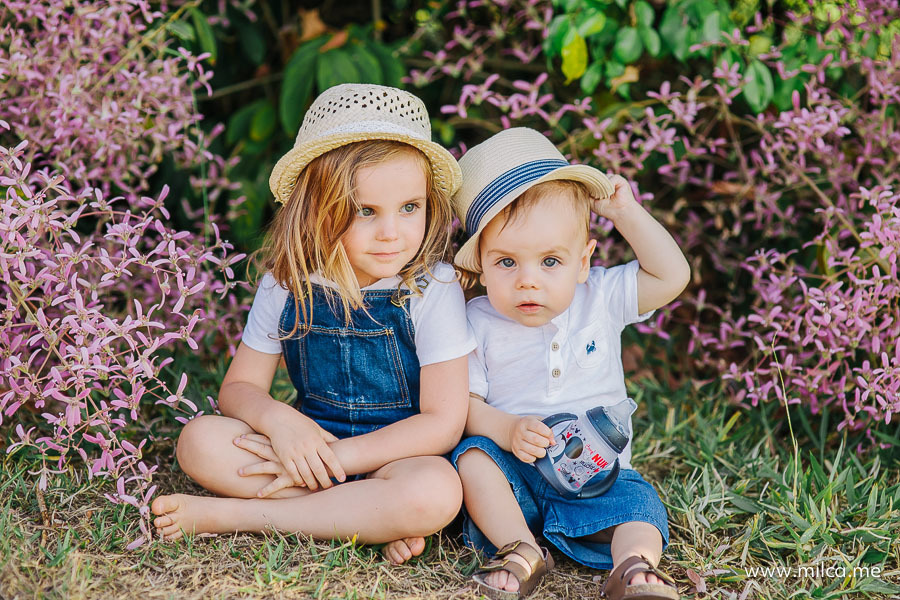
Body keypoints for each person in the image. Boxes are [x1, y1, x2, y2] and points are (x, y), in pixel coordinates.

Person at [151, 84, 475, 566]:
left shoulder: (432, 288)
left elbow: (442, 425)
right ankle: (360, 520)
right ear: (317, 210)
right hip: (306, 445)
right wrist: (281, 423)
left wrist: (340, 461)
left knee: (436, 492)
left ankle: (237, 516)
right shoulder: (287, 283)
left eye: (410, 207)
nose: (393, 232)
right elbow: (238, 389)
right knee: (198, 441)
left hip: (399, 459)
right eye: (366, 211)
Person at [449, 128, 690, 599]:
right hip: (516, 474)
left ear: (583, 262)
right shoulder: (476, 320)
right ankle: (519, 549)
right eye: (506, 263)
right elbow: (466, 405)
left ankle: (634, 567)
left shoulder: (600, 295)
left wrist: (626, 213)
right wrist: (505, 429)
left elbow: (672, 275)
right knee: (473, 460)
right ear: (479, 262)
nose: (528, 282)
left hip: (599, 477)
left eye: (550, 262)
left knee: (640, 505)